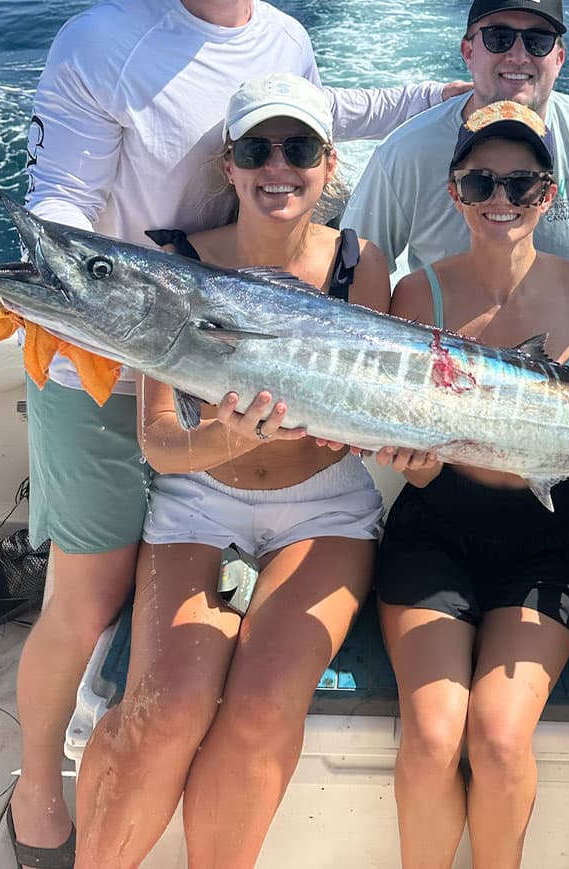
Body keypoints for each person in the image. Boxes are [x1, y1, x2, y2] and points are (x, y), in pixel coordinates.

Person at [10, 0, 465, 868]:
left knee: (238, 683)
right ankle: (39, 796)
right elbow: (60, 202)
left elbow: (313, 115)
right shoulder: (98, 41)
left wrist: (444, 98)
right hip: (120, 349)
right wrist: (58, 299)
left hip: (248, 352)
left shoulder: (286, 41)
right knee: (83, 603)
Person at [73, 74, 390, 869]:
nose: (277, 166)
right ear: (230, 164)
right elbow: (160, 443)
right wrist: (227, 439)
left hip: (325, 513)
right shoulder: (171, 265)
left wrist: (392, 446)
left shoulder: (362, 263)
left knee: (258, 707)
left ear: (329, 163)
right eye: (257, 148)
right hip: (198, 505)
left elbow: (374, 418)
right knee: (168, 703)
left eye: (300, 148)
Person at [373, 100, 569, 869]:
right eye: (482, 181)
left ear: (549, 194)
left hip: (550, 540)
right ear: (455, 191)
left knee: (497, 737)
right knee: (431, 736)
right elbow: (415, 442)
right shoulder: (415, 295)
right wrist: (415, 459)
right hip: (437, 527)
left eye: (521, 184)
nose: (501, 199)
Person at [341, 0, 569, 271]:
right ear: (468, 52)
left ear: (559, 59)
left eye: (537, 41)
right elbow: (355, 269)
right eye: (498, 38)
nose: (517, 55)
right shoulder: (405, 154)